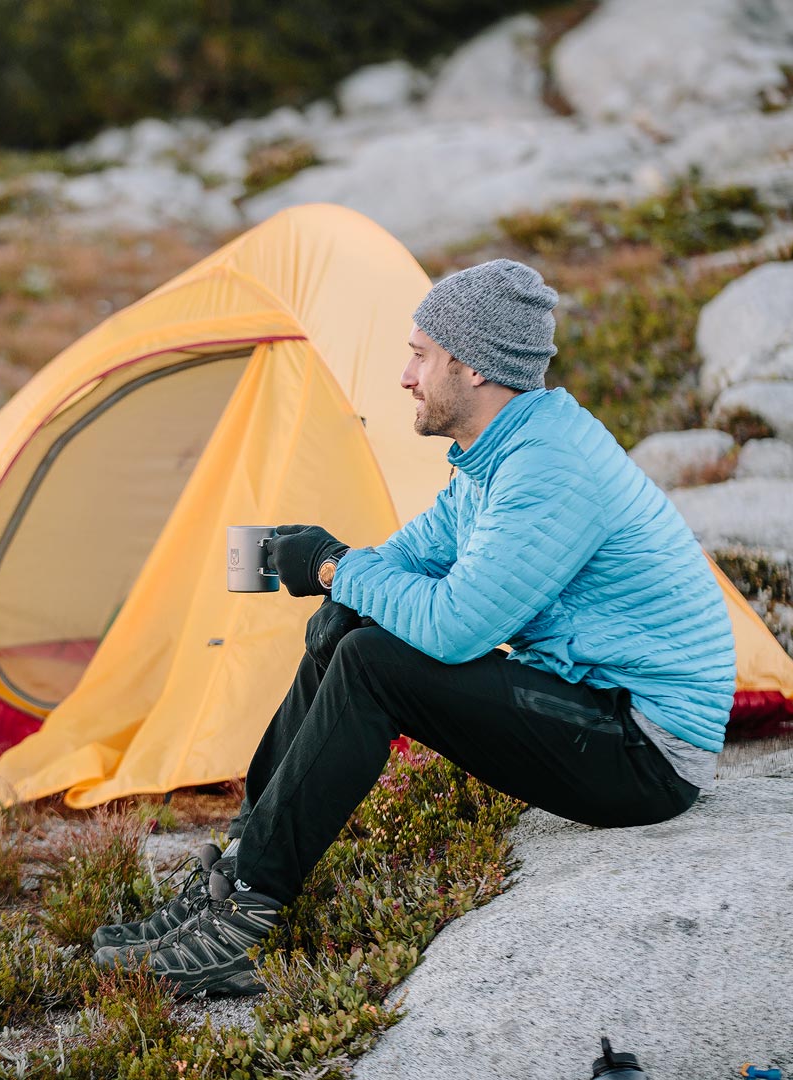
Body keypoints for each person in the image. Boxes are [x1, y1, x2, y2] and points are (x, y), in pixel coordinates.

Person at [91, 258, 737, 997]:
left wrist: (335, 567)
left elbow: (457, 628)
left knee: (375, 661)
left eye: (420, 355)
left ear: (471, 368)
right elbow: (413, 554)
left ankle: (241, 921)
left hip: (646, 751)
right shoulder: (497, 456)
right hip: (592, 707)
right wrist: (341, 582)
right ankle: (238, 869)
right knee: (349, 628)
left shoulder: (548, 469)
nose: (405, 376)